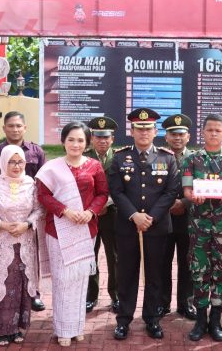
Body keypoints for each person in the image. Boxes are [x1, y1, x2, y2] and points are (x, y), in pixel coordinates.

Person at [109, 108, 179, 340]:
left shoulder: (167, 157)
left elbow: (171, 192)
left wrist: (152, 217)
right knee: (127, 274)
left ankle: (152, 319)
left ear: (156, 131)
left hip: (156, 227)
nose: (144, 132)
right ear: (132, 131)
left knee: (155, 274)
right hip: (128, 227)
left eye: (148, 128)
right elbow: (116, 192)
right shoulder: (119, 157)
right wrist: (134, 215)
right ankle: (124, 320)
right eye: (139, 128)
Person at [36, 121, 108, 346]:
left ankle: (77, 326)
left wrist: (91, 212)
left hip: (86, 228)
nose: (75, 144)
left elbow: (103, 193)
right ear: (63, 141)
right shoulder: (51, 167)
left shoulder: (94, 166)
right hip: (58, 229)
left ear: (86, 143)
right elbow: (43, 195)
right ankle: (62, 329)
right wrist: (65, 210)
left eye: (80, 140)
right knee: (62, 279)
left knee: (80, 279)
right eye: (71, 139)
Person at [181, 113, 222, 342]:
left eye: (218, 130)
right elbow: (188, 190)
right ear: (203, 132)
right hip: (199, 226)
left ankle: (216, 319)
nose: (214, 133)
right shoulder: (192, 159)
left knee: (221, 271)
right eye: (210, 130)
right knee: (199, 271)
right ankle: (200, 319)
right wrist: (193, 197)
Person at [0, 145, 44, 346]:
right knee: (3, 285)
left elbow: (39, 210)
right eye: (11, 162)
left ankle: (17, 328)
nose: (16, 166)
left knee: (22, 285)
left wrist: (27, 224)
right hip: (1, 243)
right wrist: (3, 225)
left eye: (20, 162)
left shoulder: (31, 183)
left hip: (25, 243)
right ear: (3, 163)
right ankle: (2, 331)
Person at [0, 112, 47, 312]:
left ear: (25, 128)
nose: (15, 129)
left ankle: (33, 293)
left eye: (18, 126)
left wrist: (30, 219)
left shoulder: (36, 152)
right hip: (1, 212)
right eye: (10, 126)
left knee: (30, 256)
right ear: (4, 128)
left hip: (28, 213)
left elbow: (43, 181)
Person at [159, 113, 197, 320]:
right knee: (163, 263)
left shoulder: (197, 159)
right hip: (164, 219)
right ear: (166, 137)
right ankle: (163, 303)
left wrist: (184, 202)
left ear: (188, 136)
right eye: (173, 134)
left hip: (189, 218)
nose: (177, 138)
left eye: (181, 134)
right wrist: (168, 205)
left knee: (187, 263)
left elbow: (201, 186)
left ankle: (186, 303)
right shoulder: (158, 157)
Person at [84, 116, 120, 314]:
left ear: (112, 139)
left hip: (113, 213)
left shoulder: (121, 158)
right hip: (89, 215)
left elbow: (123, 186)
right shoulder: (85, 157)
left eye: (106, 137)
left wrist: (107, 203)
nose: (102, 141)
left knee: (115, 256)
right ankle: (91, 296)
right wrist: (95, 207)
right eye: (98, 137)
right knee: (90, 255)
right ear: (92, 138)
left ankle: (116, 296)